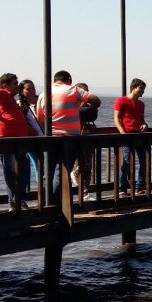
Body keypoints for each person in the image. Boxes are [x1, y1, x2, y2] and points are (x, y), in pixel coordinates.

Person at [36, 70, 100, 204]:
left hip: (49, 138)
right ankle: (56, 204)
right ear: (69, 79)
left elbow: (40, 118)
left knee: (47, 174)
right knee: (62, 173)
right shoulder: (73, 89)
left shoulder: (44, 93)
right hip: (69, 138)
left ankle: (45, 204)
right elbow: (96, 100)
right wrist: (84, 107)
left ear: (55, 80)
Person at [0, 73, 33, 211]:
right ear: (5, 85)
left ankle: (19, 198)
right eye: (14, 83)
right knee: (10, 170)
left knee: (24, 168)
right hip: (5, 138)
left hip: (19, 139)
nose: (17, 86)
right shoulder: (3, 93)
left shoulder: (12, 99)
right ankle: (14, 201)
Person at [113, 78, 149, 196]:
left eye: (143, 89)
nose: (142, 91)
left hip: (139, 134)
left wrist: (144, 124)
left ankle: (139, 187)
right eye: (140, 88)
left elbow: (142, 119)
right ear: (133, 87)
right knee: (127, 161)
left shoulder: (141, 104)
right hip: (127, 134)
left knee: (143, 161)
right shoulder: (121, 100)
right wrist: (122, 132)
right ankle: (122, 188)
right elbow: (117, 118)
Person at [70, 81, 96, 199]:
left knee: (88, 165)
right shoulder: (72, 106)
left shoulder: (88, 108)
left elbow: (90, 118)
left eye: (86, 91)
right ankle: (75, 180)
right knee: (79, 164)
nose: (85, 93)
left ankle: (86, 191)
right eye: (82, 91)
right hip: (75, 137)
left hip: (86, 137)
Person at [17, 79, 43, 186]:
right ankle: (42, 192)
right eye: (28, 89)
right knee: (39, 166)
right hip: (34, 141)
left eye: (33, 88)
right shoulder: (19, 105)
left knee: (51, 167)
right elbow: (20, 122)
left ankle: (50, 192)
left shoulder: (42, 101)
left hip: (48, 138)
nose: (31, 91)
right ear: (21, 91)